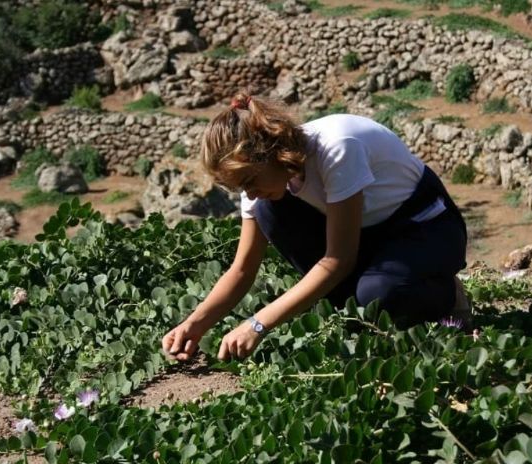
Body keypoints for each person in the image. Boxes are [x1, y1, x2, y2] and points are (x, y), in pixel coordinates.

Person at [161, 92, 470, 362]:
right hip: (371, 232)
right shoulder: (264, 184)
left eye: (249, 182)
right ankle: (366, 303)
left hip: (425, 226)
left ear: (270, 152)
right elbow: (242, 270)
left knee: (377, 296)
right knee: (268, 212)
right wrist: (195, 324)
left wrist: (258, 323)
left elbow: (338, 260)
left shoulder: (337, 147)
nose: (249, 193)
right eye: (239, 188)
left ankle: (445, 295)